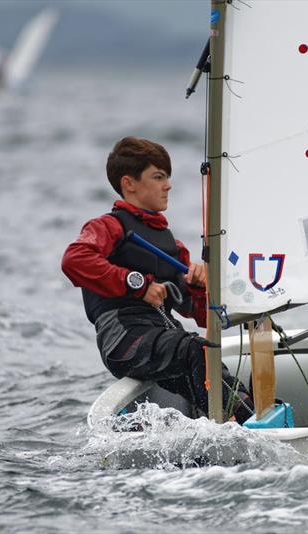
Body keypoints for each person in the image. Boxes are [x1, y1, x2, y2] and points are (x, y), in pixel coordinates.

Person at [62, 136, 252, 423]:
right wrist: (137, 285)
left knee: (205, 351)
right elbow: (74, 260)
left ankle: (248, 414)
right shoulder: (107, 227)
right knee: (195, 350)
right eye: (158, 176)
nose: (168, 185)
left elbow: (200, 315)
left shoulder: (171, 245)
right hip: (124, 339)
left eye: (168, 177)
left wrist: (200, 288)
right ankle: (239, 422)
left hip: (162, 336)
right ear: (130, 183)